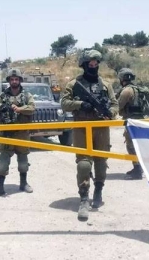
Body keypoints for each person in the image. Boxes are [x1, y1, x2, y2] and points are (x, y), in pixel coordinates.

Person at [60, 49, 118, 221]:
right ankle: (84, 198)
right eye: (90, 63)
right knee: (84, 164)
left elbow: (115, 105)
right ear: (84, 65)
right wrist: (80, 104)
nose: (93, 66)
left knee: (101, 161)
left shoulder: (106, 85)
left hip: (101, 128)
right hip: (82, 127)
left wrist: (111, 113)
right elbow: (64, 103)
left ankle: (98, 190)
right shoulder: (73, 84)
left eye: (95, 63)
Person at [0, 68, 36, 199]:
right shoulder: (3, 95)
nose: (14, 81)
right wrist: (1, 106)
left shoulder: (26, 95)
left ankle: (24, 183)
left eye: (16, 79)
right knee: (3, 161)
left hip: (22, 133)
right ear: (9, 81)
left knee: (23, 160)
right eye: (12, 79)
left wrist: (20, 109)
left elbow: (32, 108)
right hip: (7, 133)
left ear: (20, 80)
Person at [116, 68, 144, 180]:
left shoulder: (126, 91)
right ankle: (137, 168)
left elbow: (118, 106)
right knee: (137, 145)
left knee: (131, 146)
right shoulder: (138, 89)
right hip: (141, 120)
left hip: (131, 121)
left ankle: (137, 170)